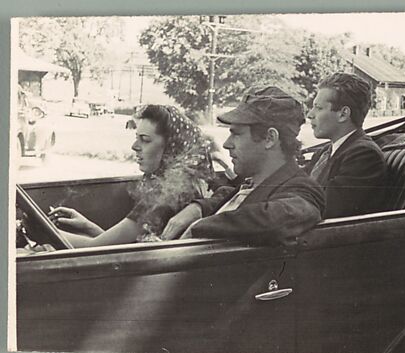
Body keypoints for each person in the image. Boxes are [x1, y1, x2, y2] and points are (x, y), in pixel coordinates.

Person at [161, 86, 325, 244]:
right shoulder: (253, 183)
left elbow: (283, 216)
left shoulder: (301, 190)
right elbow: (240, 194)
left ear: (270, 138)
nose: (226, 144)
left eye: (237, 134)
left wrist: (200, 226)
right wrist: (199, 208)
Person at [49, 105, 214, 247]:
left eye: (145, 140)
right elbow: (122, 246)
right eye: (137, 138)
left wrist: (44, 233)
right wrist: (87, 226)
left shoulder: (168, 194)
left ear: (171, 148)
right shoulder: (182, 186)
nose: (135, 146)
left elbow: (96, 248)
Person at [305, 72, 387, 218]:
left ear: (343, 114)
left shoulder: (363, 156)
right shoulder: (325, 152)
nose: (310, 114)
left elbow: (325, 209)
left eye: (318, 108)